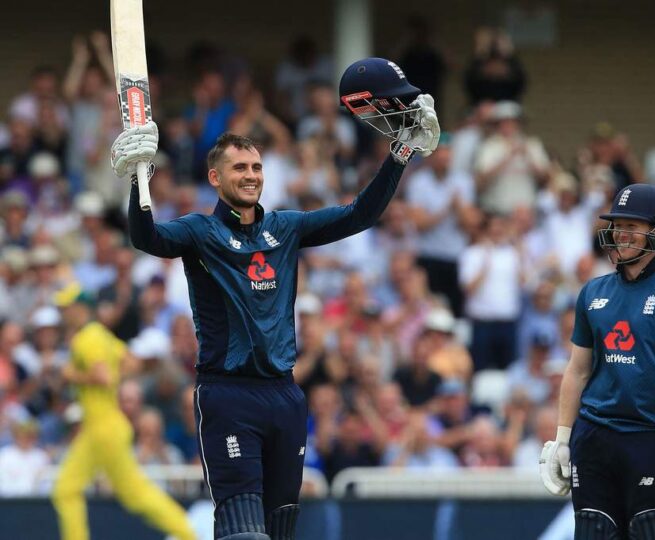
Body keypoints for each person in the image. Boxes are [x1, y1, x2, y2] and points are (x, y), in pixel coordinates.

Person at [110, 57, 439, 540]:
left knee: (279, 530)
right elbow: (148, 240)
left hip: (285, 397)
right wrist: (137, 180)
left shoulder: (284, 227)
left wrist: (401, 153)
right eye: (239, 167)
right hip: (227, 395)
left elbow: (359, 215)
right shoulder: (199, 232)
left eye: (257, 166)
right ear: (215, 179)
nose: (251, 174)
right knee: (245, 532)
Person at [538, 184, 655, 539]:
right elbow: (577, 370)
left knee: (653, 529)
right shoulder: (592, 293)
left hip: (649, 436)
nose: (621, 233)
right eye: (618, 224)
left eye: (633, 225)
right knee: (592, 530)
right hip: (594, 437)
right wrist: (562, 438)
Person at [50, 284, 194, 540]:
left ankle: (188, 533)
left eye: (67, 307)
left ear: (81, 308)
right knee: (79, 490)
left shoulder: (87, 338)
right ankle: (187, 532)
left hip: (102, 428)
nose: (63, 312)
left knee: (77, 490)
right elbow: (132, 362)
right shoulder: (101, 334)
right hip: (104, 427)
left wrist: (71, 373)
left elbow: (102, 377)